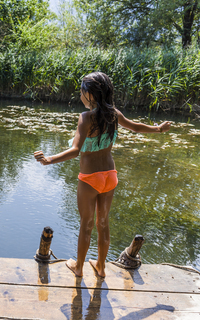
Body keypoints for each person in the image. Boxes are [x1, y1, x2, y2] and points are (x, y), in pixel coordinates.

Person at [34, 72, 171, 278]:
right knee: (103, 223)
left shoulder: (85, 117)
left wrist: (50, 159)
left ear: (90, 94)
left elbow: (76, 150)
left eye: (82, 92)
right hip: (110, 175)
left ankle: (79, 267)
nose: (80, 95)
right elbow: (135, 127)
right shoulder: (113, 114)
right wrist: (158, 129)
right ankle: (101, 267)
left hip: (90, 178)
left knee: (86, 225)